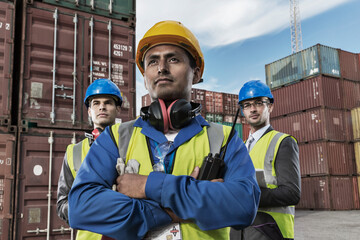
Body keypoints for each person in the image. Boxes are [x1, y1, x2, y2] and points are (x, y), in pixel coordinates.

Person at [68, 20, 260, 240]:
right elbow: (81, 206)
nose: (161, 68)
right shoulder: (116, 137)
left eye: (173, 59)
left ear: (196, 73)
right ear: (145, 77)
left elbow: (244, 205)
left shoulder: (222, 138)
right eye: (152, 61)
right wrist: (173, 208)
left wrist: (147, 185)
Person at [230, 80, 301, 240]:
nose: (253, 109)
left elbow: (292, 193)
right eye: (247, 105)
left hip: (270, 232)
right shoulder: (239, 147)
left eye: (258, 103)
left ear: (270, 106)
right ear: (242, 111)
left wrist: (245, 196)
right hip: (239, 232)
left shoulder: (282, 141)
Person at [57, 78, 122, 240]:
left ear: (118, 109)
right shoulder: (74, 152)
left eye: (108, 102)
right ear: (89, 110)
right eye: (96, 103)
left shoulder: (132, 143)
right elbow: (62, 203)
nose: (102, 106)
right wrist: (86, 209)